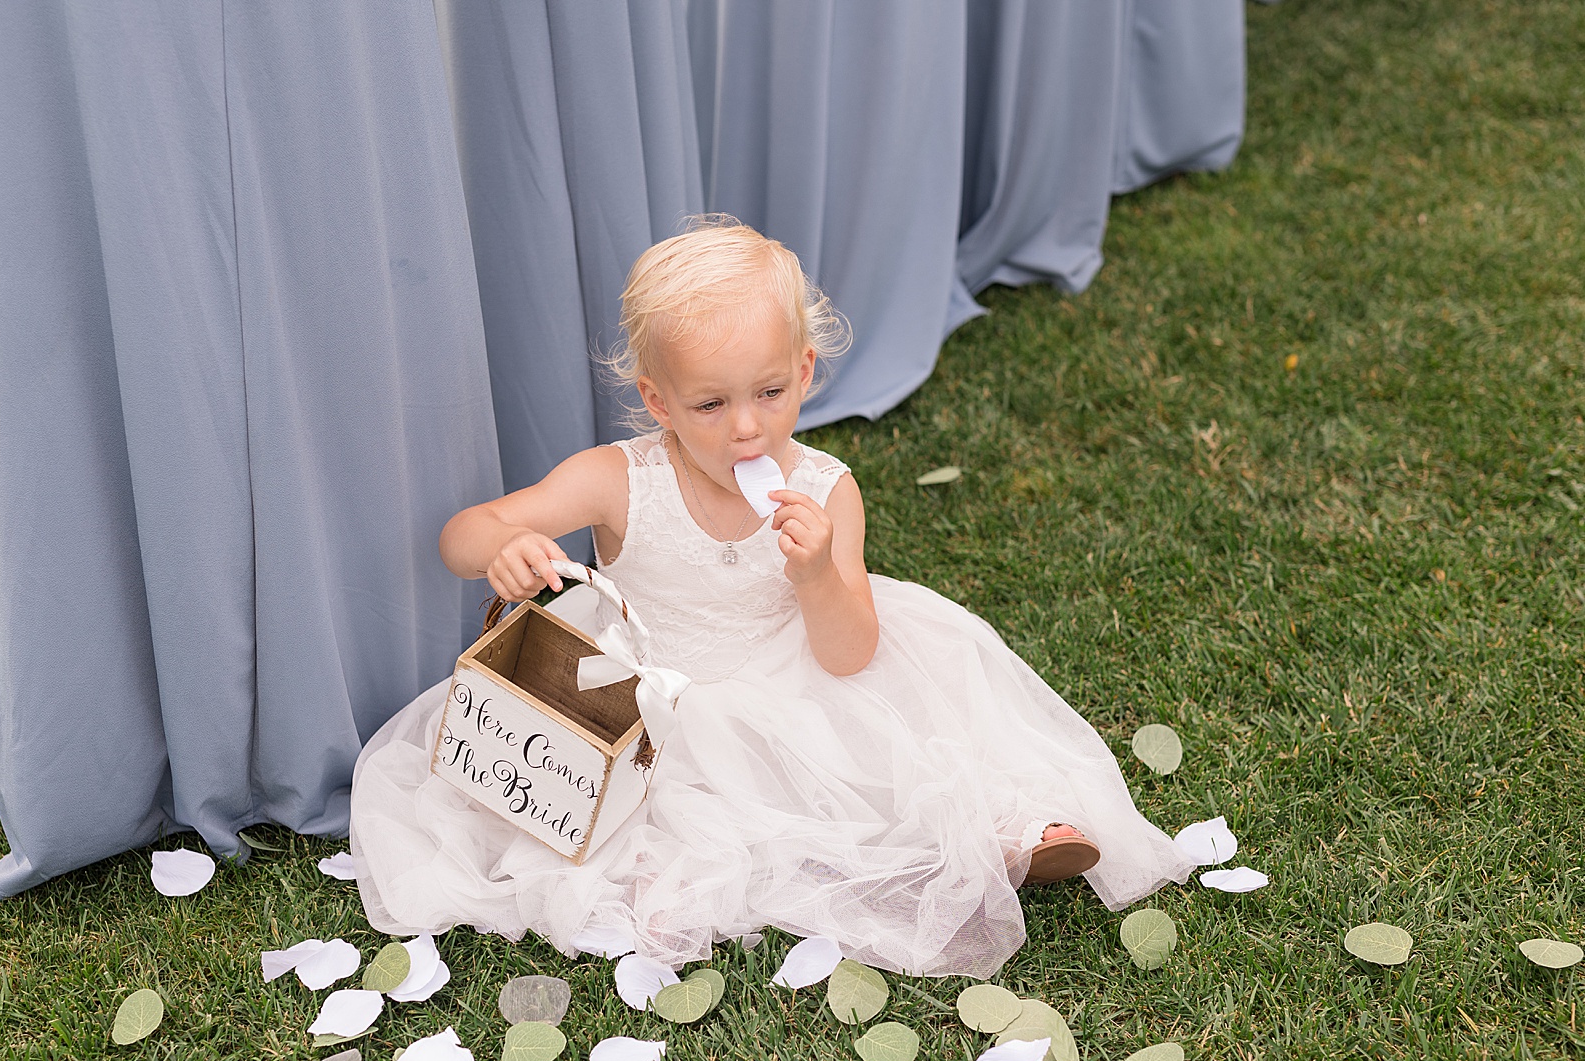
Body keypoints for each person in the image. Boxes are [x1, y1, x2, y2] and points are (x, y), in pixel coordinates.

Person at [349, 217, 1190, 978]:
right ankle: (664, 876)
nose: (745, 428)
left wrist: (818, 572)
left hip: (799, 682)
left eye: (770, 394)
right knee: (667, 811)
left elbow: (849, 652)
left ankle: (1005, 826)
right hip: (651, 695)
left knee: (907, 749)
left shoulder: (827, 490)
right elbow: (463, 534)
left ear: (804, 371)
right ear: (657, 400)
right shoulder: (618, 479)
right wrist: (506, 546)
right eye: (710, 404)